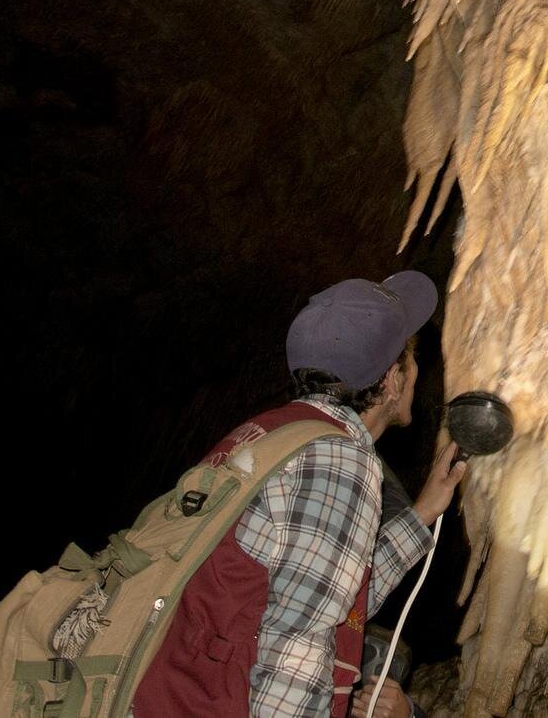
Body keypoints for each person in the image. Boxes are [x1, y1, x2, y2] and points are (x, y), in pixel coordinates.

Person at [134, 271, 466, 718]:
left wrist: (421, 512)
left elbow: (328, 596)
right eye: (411, 358)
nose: (417, 373)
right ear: (391, 380)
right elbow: (294, 654)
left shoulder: (271, 435)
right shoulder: (339, 461)